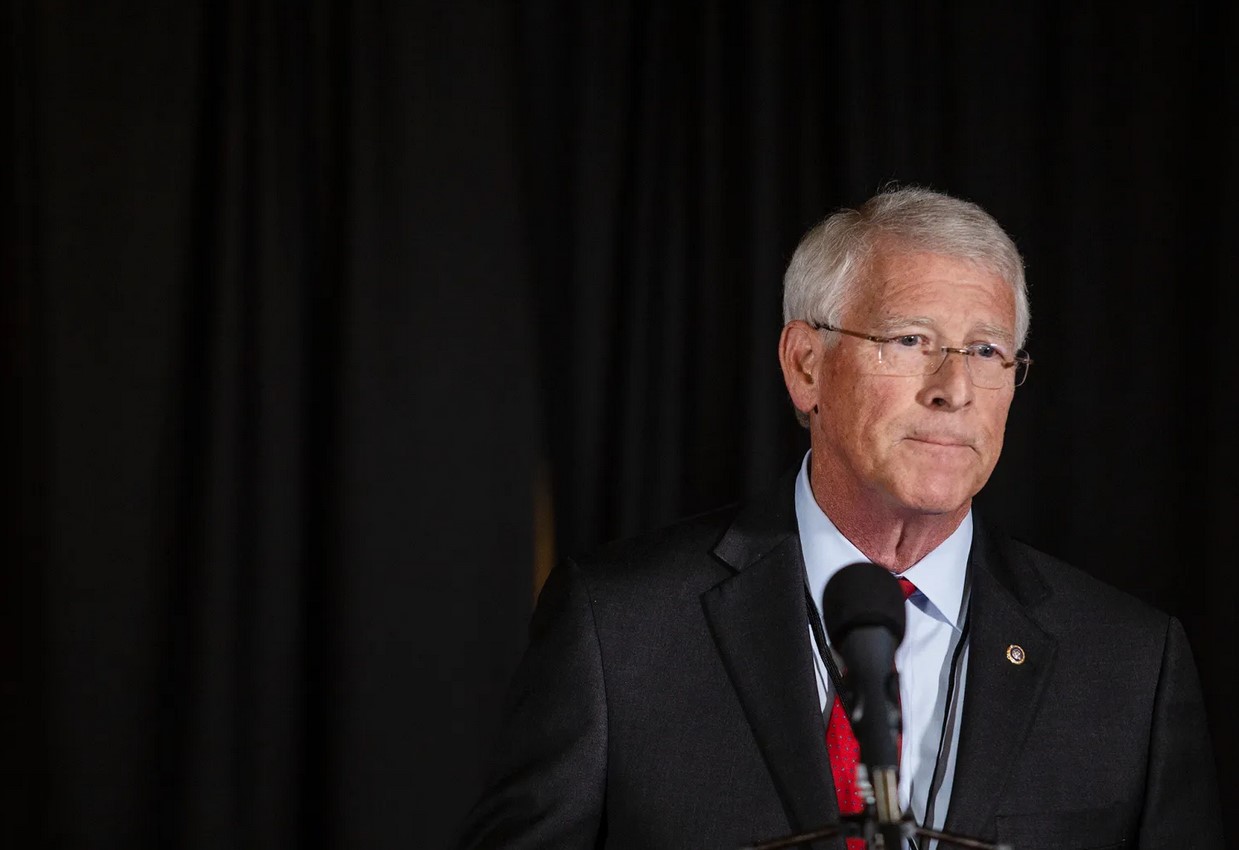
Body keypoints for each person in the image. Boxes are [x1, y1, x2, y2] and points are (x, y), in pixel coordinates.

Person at [458, 187, 1224, 849]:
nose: (953, 388)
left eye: (987, 351)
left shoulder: (1129, 666)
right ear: (806, 366)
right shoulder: (617, 629)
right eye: (910, 340)